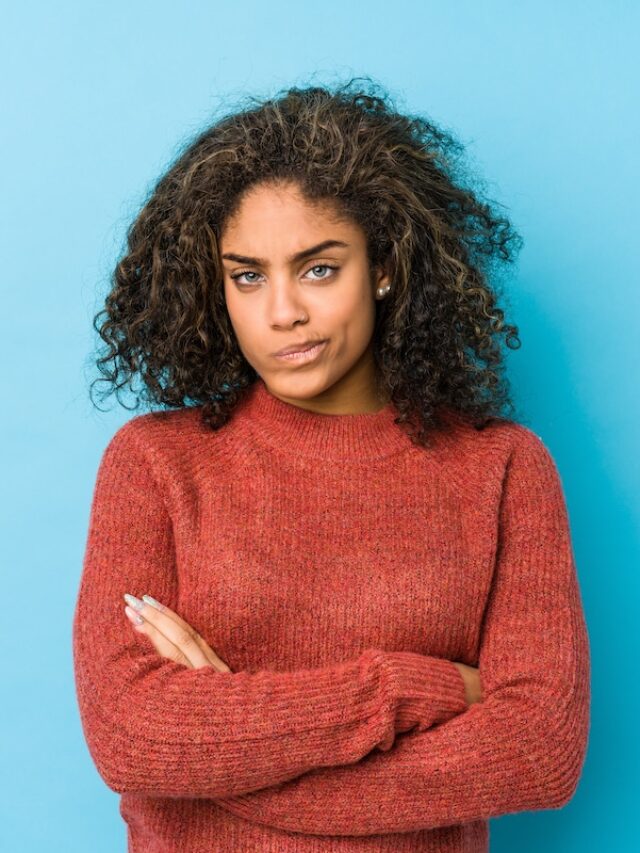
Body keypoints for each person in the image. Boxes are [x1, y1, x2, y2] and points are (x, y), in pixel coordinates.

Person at [72, 78, 591, 852]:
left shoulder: (504, 468)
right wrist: (416, 687)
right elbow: (130, 736)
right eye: (248, 275)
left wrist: (229, 761)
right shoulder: (155, 463)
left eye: (319, 268)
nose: (282, 311)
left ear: (383, 266)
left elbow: (540, 752)